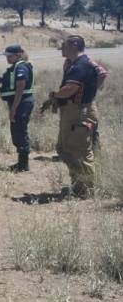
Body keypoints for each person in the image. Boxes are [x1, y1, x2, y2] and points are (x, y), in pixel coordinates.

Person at [46, 35, 102, 199]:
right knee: (65, 148)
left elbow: (70, 89)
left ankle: (85, 190)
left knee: (80, 152)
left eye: (64, 45)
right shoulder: (75, 64)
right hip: (73, 111)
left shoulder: (81, 65)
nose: (61, 48)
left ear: (74, 45)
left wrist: (55, 95)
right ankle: (78, 185)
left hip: (79, 113)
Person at [0, 44, 34, 172]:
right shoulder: (15, 67)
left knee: (20, 131)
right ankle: (21, 162)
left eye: (10, 56)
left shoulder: (21, 67)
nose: (7, 58)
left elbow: (20, 89)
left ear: (18, 55)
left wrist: (13, 109)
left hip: (21, 103)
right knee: (17, 130)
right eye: (6, 56)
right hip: (19, 102)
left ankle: (23, 164)